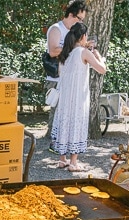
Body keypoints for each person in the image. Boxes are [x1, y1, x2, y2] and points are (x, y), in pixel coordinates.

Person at [50, 22, 106, 172]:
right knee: (76, 124)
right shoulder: (83, 52)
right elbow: (102, 69)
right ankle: (74, 162)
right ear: (82, 37)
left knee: (65, 124)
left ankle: (62, 159)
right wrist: (97, 54)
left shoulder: (65, 53)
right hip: (78, 96)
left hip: (65, 96)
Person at [45, 0, 88, 149]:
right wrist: (74, 48)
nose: (80, 22)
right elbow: (52, 51)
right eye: (79, 19)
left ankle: (64, 146)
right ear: (71, 14)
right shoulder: (57, 29)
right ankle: (55, 144)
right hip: (57, 78)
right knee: (57, 113)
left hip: (70, 79)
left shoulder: (74, 32)